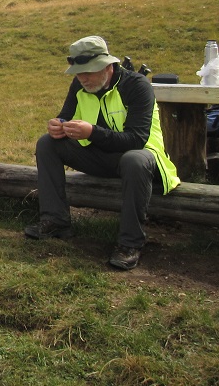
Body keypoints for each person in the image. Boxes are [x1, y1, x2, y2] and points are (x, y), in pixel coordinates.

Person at [25, 35, 181, 270]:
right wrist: (58, 125)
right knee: (47, 143)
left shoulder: (137, 86)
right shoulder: (79, 84)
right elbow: (66, 114)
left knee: (134, 160)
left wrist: (91, 132)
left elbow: (136, 140)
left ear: (108, 66)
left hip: (143, 158)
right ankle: (55, 220)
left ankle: (130, 243)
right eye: (78, 73)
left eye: (88, 72)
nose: (83, 78)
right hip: (100, 155)